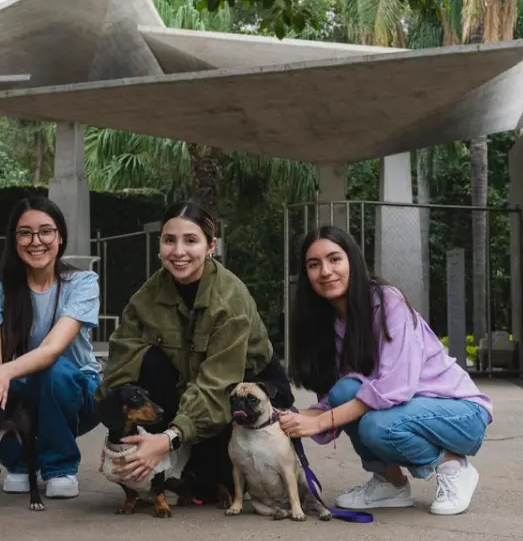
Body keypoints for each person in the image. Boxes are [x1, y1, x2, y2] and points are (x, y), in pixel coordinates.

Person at [279, 225, 494, 516]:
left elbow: (395, 387)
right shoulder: (325, 324)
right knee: (345, 391)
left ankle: (452, 466)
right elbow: (340, 399)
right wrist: (289, 418)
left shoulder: (387, 301)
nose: (325, 271)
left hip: (460, 413)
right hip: (405, 410)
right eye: (313, 265)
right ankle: (390, 484)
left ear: (352, 261)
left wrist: (318, 423)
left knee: (378, 426)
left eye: (334, 259)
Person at [96, 200, 293, 499]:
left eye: (191, 240)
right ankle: (177, 461)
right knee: (146, 361)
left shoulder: (230, 299)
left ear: (211, 246)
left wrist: (168, 438)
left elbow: (217, 386)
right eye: (169, 240)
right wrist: (119, 438)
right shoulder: (145, 298)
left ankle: (192, 461)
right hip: (189, 387)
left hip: (240, 392)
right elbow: (119, 370)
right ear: (159, 245)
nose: (178, 252)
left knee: (215, 484)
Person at [0, 196, 101, 499]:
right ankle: (19, 464)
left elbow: (51, 350)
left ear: (60, 237)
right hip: (24, 391)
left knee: (53, 371)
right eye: (25, 233)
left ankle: (60, 467)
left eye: (46, 231)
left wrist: (4, 372)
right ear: (14, 239)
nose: (36, 241)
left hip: (77, 394)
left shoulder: (83, 282)